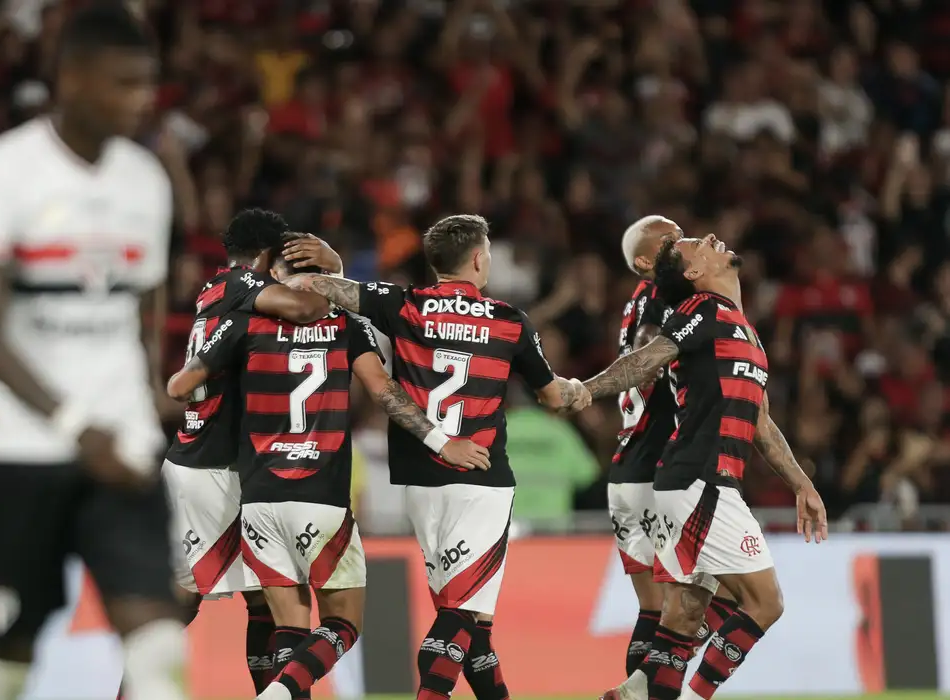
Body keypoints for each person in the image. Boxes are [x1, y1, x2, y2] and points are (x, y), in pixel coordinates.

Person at [0, 5, 184, 700]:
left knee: (159, 643)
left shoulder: (147, 181)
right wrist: (77, 427)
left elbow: (141, 307)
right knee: (8, 656)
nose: (142, 100)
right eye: (124, 83)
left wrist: (148, 394)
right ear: (72, 79)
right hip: (19, 450)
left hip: (121, 449)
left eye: (147, 83)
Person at [167, 231, 491, 700]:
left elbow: (180, 387)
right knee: (343, 622)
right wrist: (441, 442)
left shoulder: (244, 323)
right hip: (320, 494)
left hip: (258, 497)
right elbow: (383, 391)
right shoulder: (346, 324)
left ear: (275, 277)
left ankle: (276, 691)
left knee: (286, 627)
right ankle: (275, 694)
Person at [282, 214, 586, 700]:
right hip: (480, 480)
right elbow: (552, 397)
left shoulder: (402, 304)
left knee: (473, 625)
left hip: (421, 481)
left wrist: (316, 269)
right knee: (460, 616)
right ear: (479, 260)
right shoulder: (508, 321)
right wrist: (576, 390)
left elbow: (322, 287)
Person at [578, 234, 829, 700]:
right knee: (765, 602)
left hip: (696, 480)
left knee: (687, 611)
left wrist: (802, 483)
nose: (711, 238)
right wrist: (585, 390)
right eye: (699, 244)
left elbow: (760, 423)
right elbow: (647, 359)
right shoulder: (702, 310)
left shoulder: (743, 329)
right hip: (700, 478)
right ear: (694, 272)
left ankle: (639, 689)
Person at [140, 209, 331, 700]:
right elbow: (305, 309)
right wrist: (331, 268)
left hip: (216, 463)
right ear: (267, 255)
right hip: (210, 470)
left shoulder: (216, 290)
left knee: (264, 599)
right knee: (184, 603)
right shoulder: (243, 285)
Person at [612, 217, 740, 675]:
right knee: (733, 593)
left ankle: (643, 685)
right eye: (670, 241)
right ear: (646, 262)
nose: (683, 245)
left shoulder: (640, 300)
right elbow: (647, 348)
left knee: (656, 611)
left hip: (629, 469)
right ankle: (656, 681)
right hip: (661, 467)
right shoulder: (661, 297)